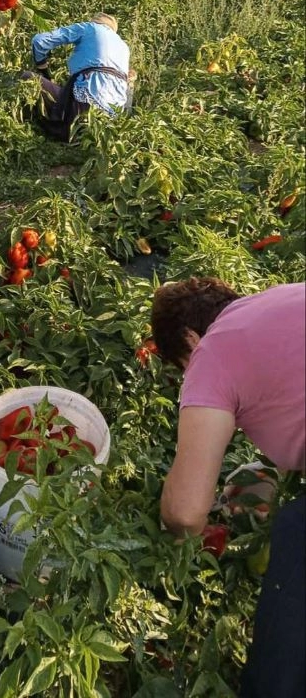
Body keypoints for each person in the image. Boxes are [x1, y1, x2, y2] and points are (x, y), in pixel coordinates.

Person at [150, 278, 305, 698]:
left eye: (183, 366)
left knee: (296, 539)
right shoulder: (284, 298)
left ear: (190, 339)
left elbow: (184, 513)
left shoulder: (211, 350)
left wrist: (170, 539)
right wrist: (267, 473)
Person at [24, 13, 134, 141]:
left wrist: (42, 67)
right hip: (110, 125)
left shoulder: (90, 28)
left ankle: (30, 129)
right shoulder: (124, 47)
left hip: (83, 108)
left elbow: (39, 41)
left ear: (95, 22)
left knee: (27, 78)